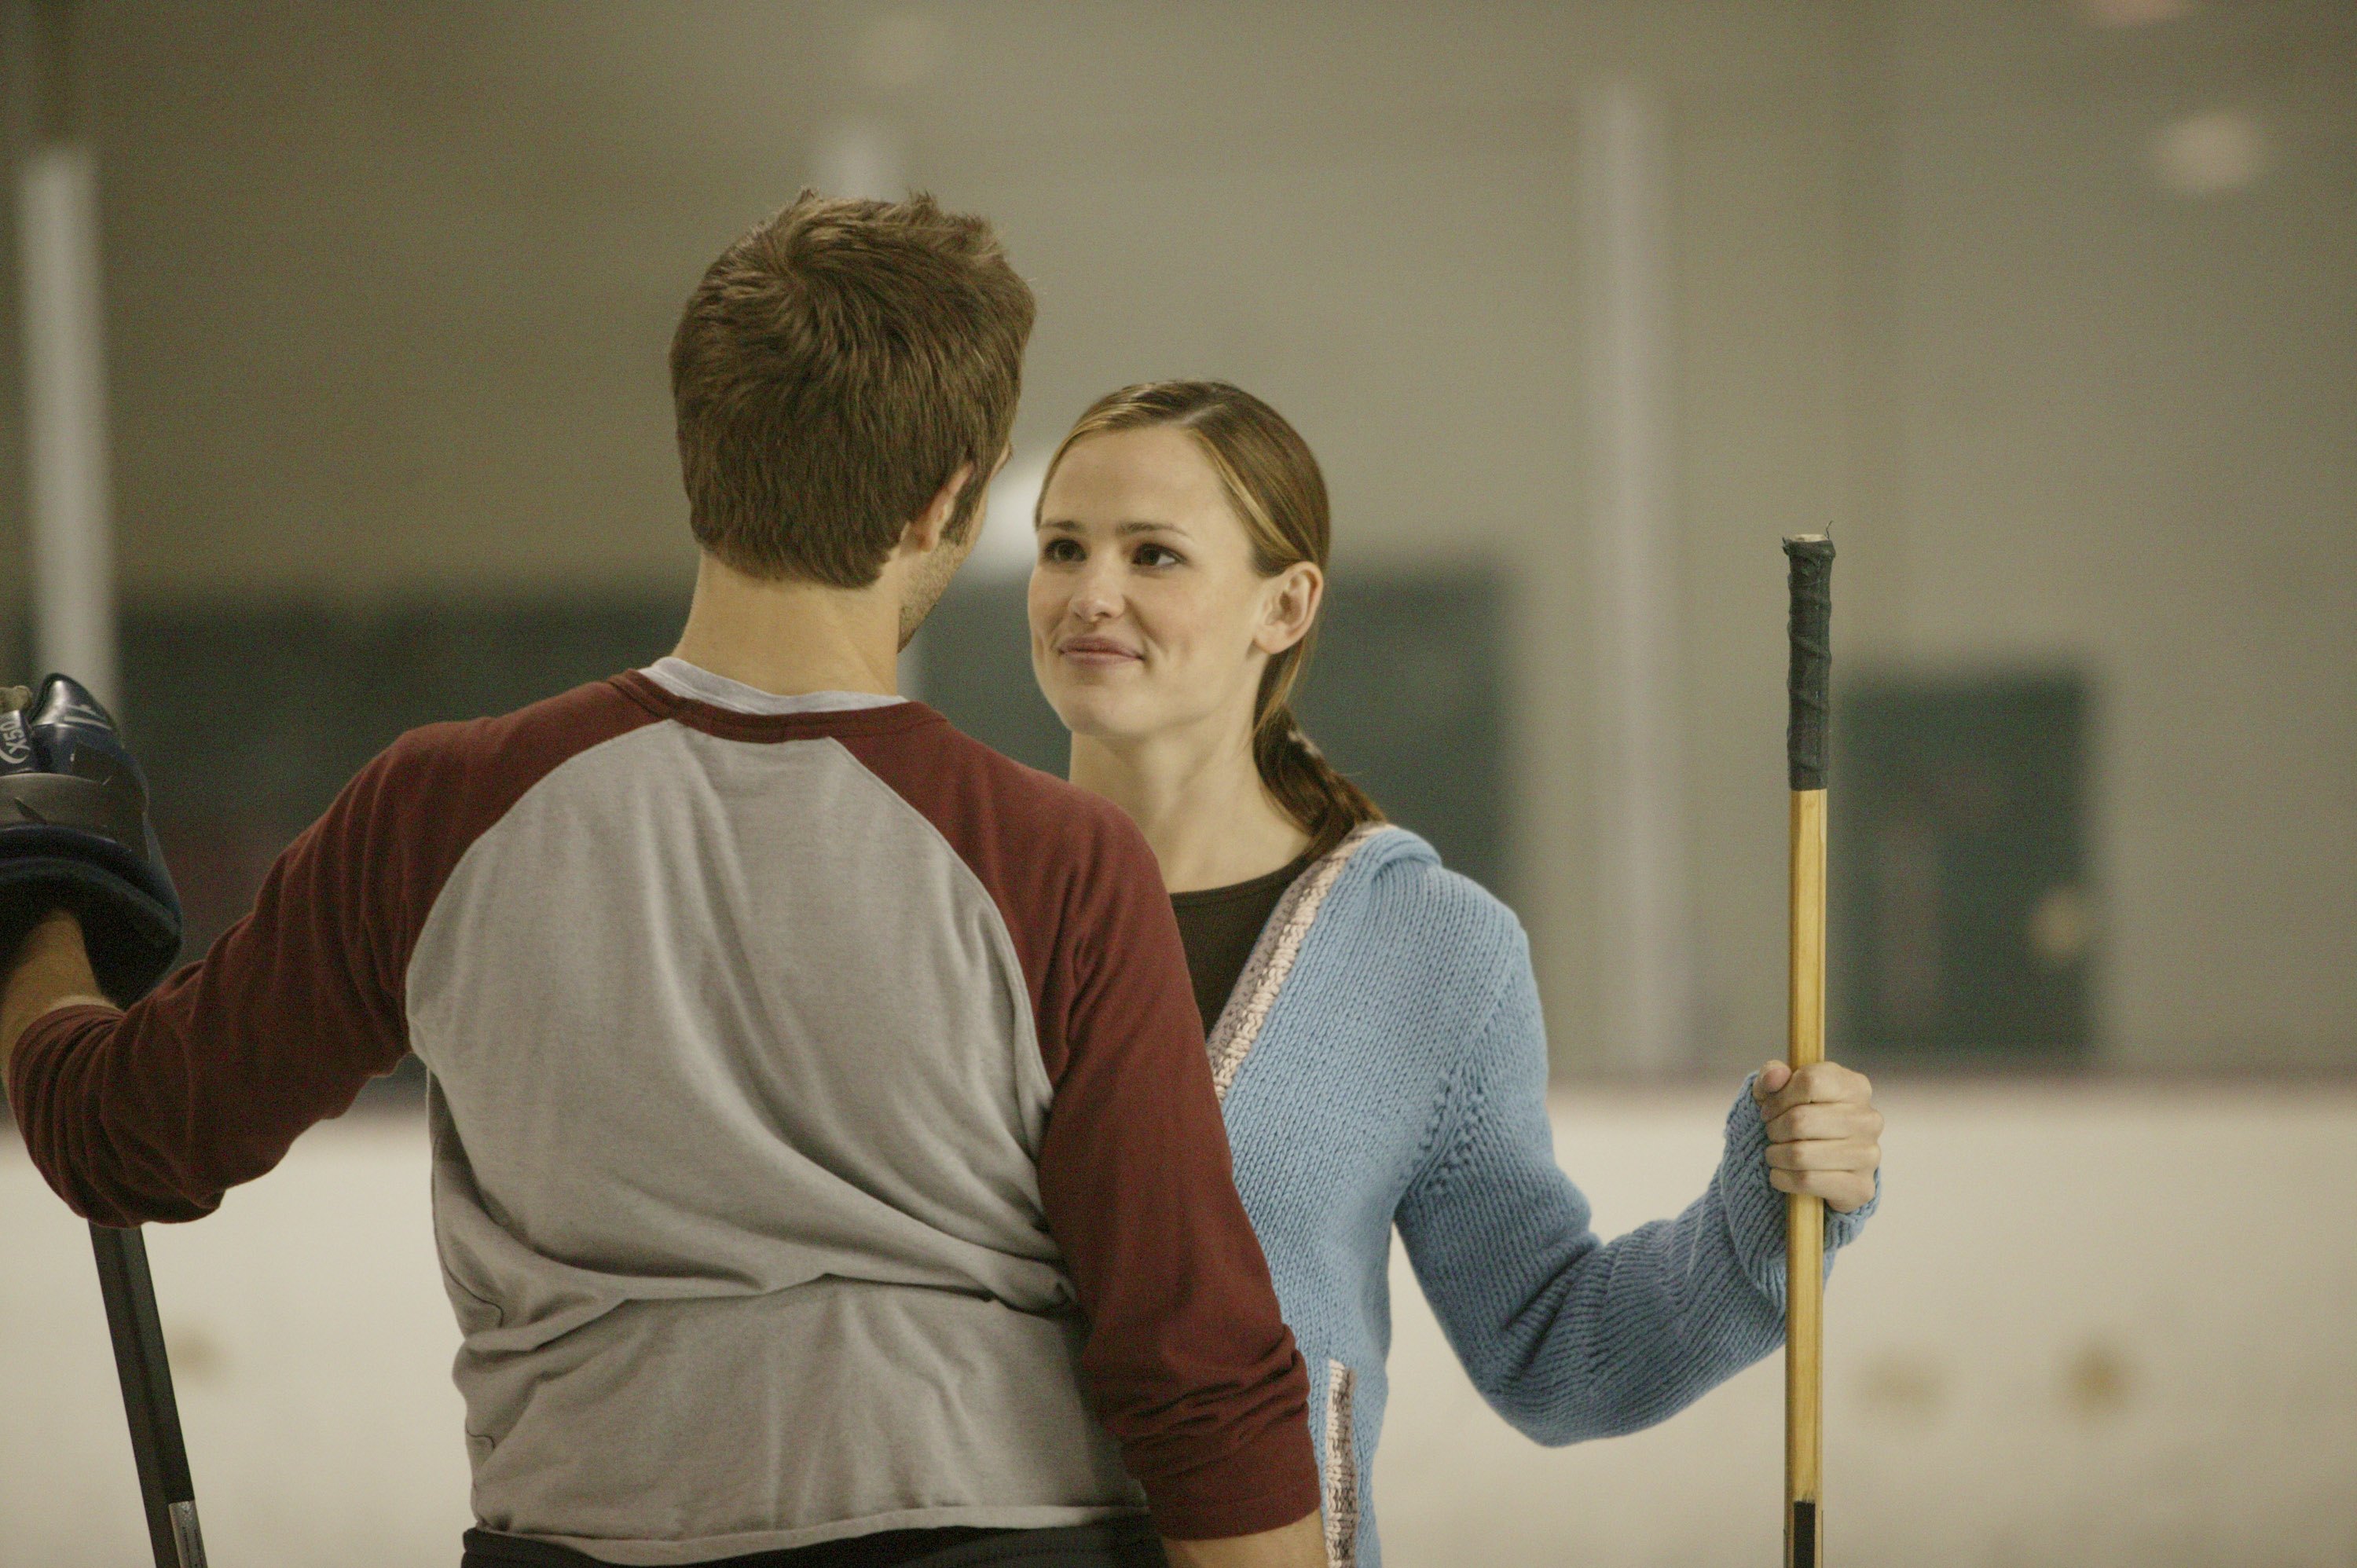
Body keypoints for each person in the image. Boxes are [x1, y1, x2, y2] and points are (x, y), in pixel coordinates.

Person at [1, 203, 1330, 1568]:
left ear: (703, 451)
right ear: (949, 500)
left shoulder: (437, 812)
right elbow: (1196, 1371)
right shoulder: (1053, 860)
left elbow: (120, 1133)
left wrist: (42, 899)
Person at [1024, 380, 1885, 1568]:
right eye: (1061, 546)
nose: (1089, 594)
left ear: (1286, 604)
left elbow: (1550, 1349)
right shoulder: (948, 897)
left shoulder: (1430, 953)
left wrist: (1766, 1220)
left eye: (1153, 554)